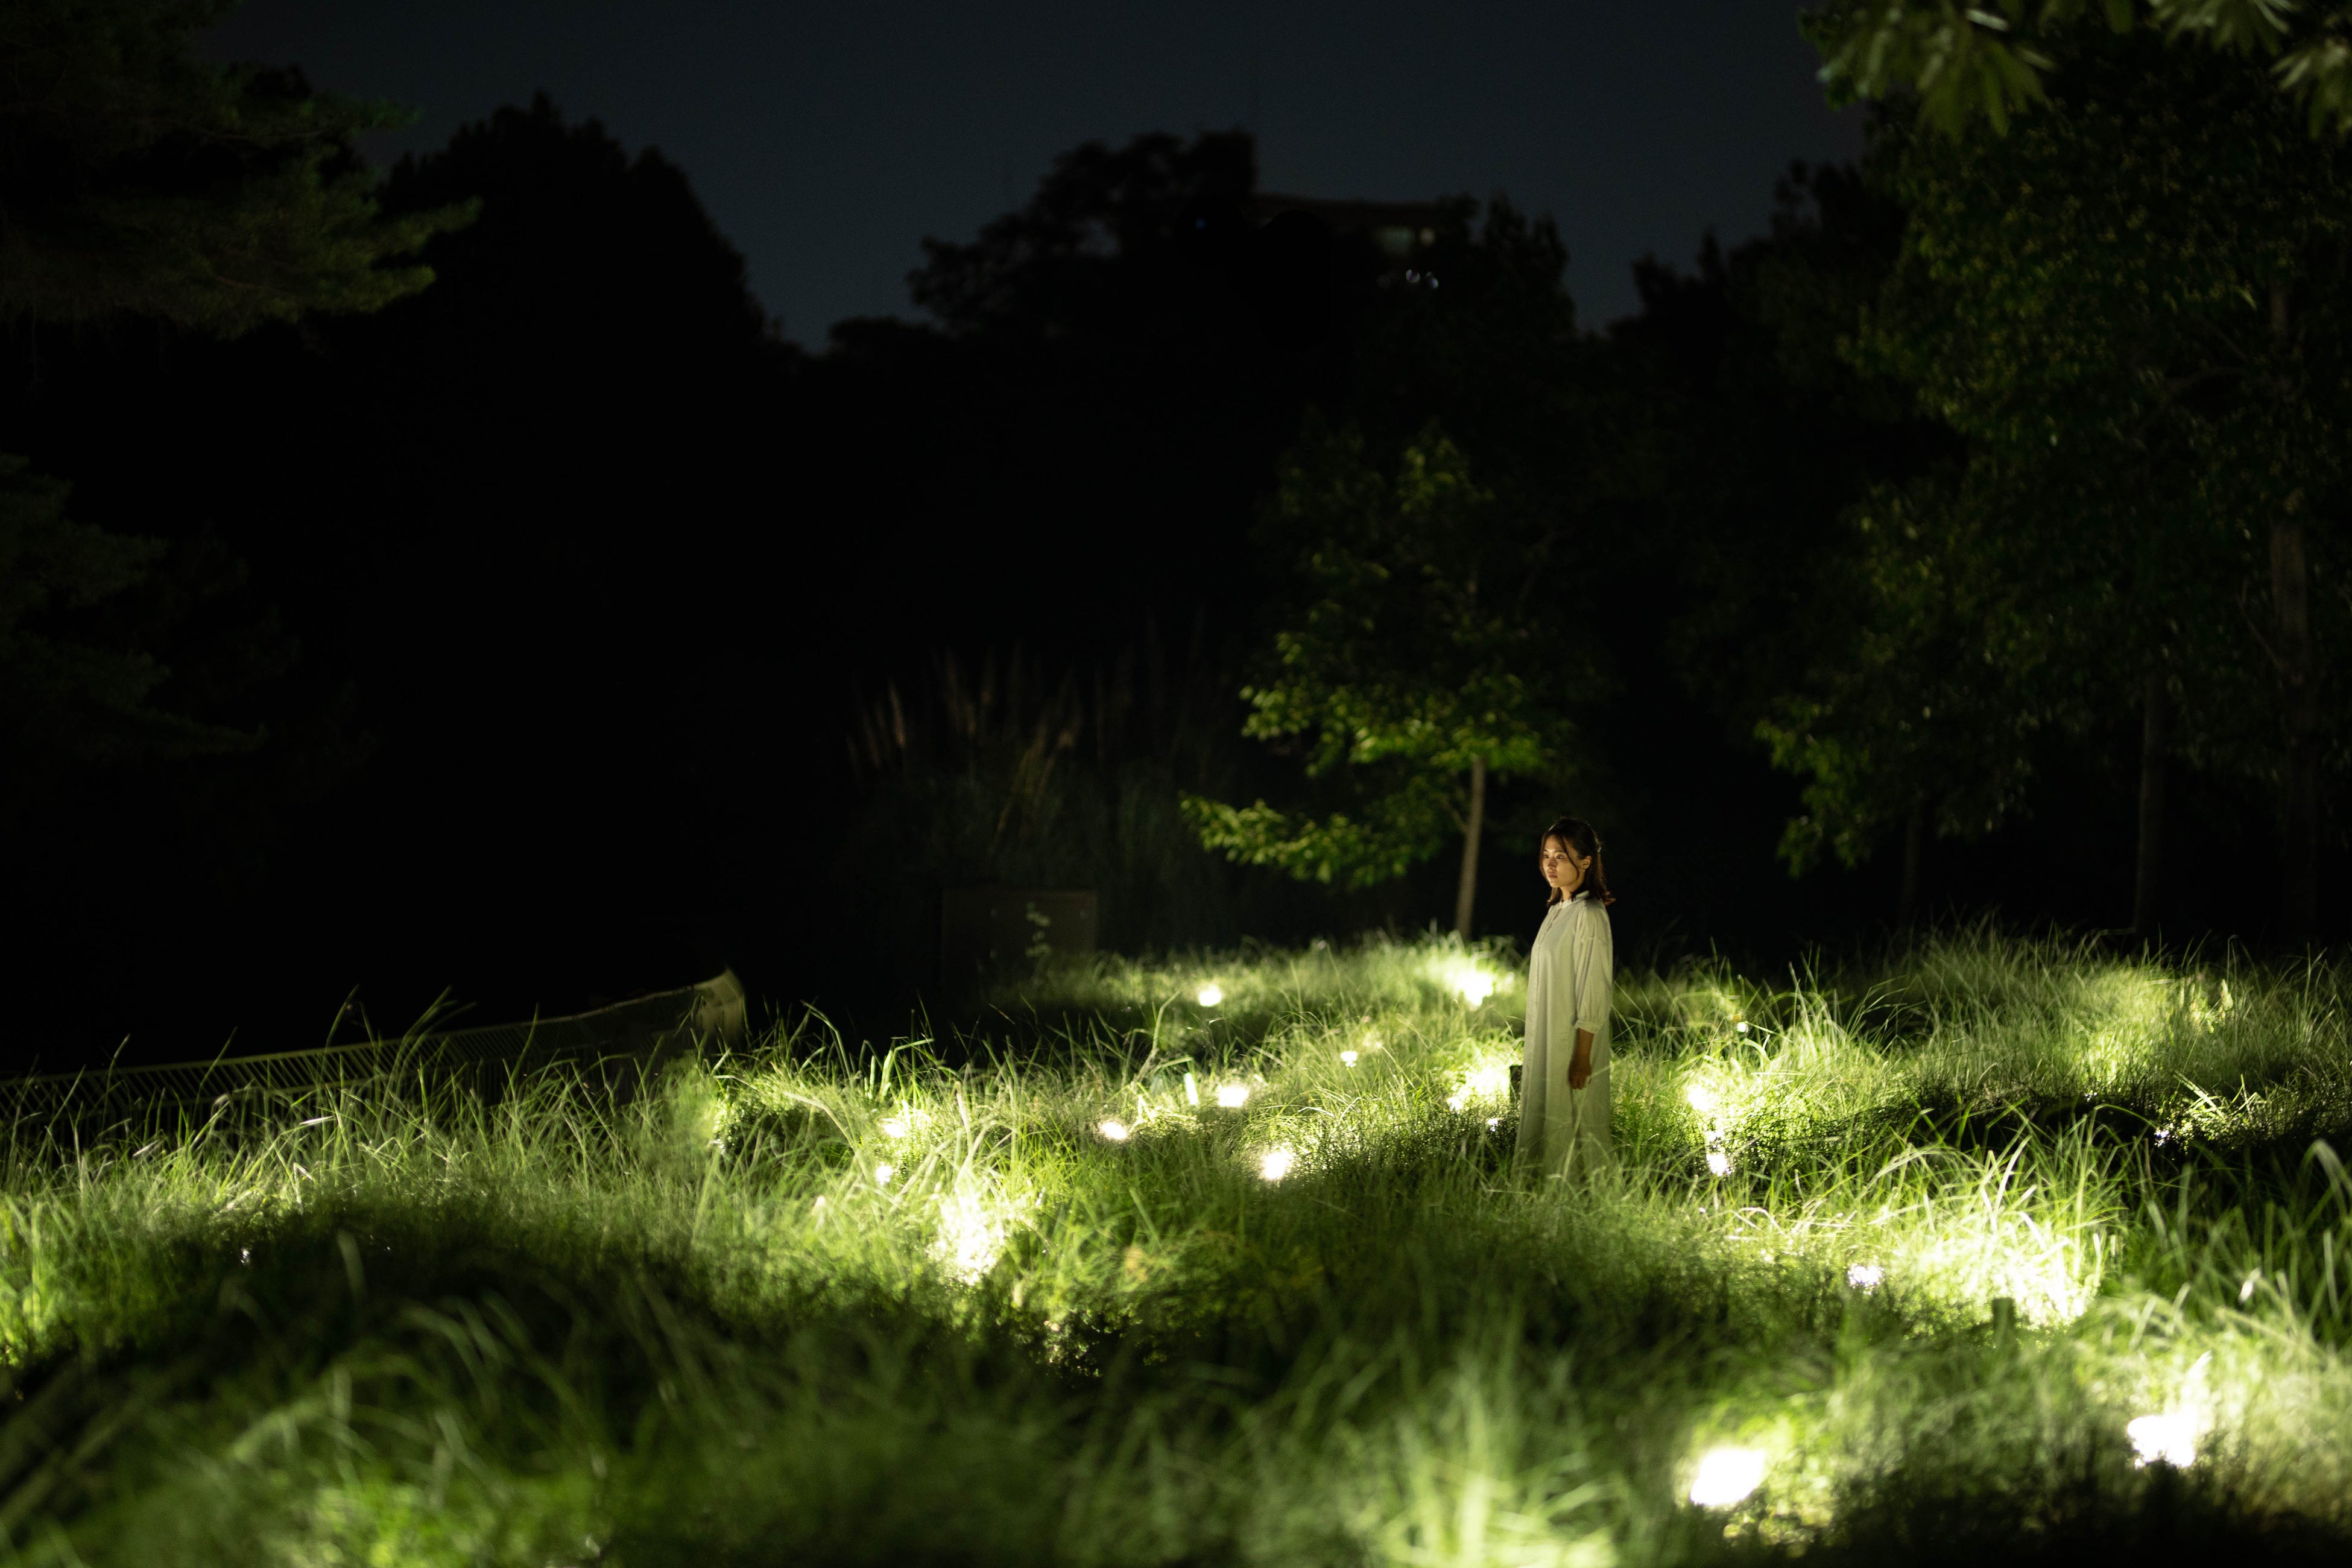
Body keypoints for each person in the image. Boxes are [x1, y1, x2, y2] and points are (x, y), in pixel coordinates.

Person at [1516, 815, 1615, 1182]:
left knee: (1577, 1123)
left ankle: (1584, 1205)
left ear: (1585, 861)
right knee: (1546, 1118)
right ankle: (1539, 1200)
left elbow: (1595, 989)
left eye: (1561, 856)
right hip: (1547, 1038)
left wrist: (1582, 1057)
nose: (1550, 865)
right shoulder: (1557, 912)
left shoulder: (1590, 915)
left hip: (1572, 1044)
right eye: (1546, 856)